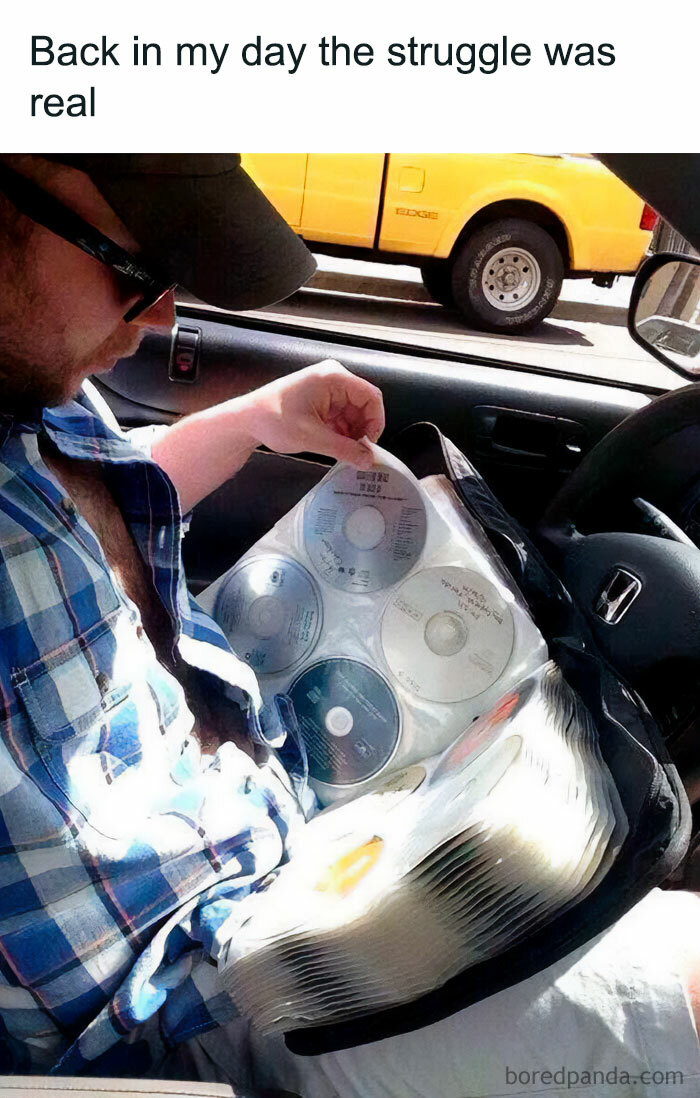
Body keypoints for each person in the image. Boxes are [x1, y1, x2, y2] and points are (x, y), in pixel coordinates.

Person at [0, 154, 699, 1098]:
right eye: (135, 271)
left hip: (302, 836)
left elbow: (94, 512)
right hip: (207, 1012)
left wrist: (252, 420)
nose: (164, 315)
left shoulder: (36, 395)